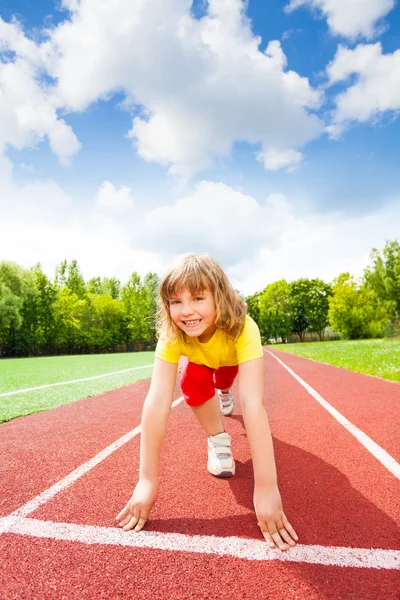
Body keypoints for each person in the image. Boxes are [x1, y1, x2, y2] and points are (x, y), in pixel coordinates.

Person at [116, 253, 298, 551]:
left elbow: (252, 404)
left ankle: (223, 392)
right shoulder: (173, 333)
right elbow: (159, 397)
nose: (186, 311)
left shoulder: (243, 327)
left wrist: (266, 488)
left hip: (229, 362)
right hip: (201, 363)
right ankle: (218, 438)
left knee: (225, 384)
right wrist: (147, 481)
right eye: (176, 302)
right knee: (192, 381)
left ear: (219, 297)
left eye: (198, 298)